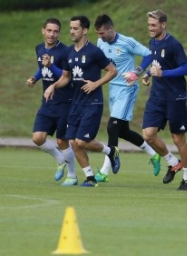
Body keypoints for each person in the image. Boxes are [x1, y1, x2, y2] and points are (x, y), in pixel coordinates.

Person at [43, 15, 120, 187]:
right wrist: (54, 86)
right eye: (70, 28)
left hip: (92, 103)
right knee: (73, 142)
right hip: (75, 103)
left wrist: (96, 84)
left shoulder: (94, 51)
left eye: (75, 28)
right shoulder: (68, 52)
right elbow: (65, 77)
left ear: (84, 30)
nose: (72, 31)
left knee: (82, 141)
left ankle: (111, 151)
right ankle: (90, 178)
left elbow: (112, 71)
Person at [93, 14, 161, 183]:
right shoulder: (100, 42)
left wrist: (137, 72)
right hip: (113, 89)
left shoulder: (126, 42)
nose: (100, 37)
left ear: (111, 28)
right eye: (98, 33)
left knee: (112, 126)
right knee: (123, 131)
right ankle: (154, 155)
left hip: (127, 89)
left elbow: (150, 55)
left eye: (102, 33)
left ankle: (104, 170)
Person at [139, 10, 187, 190]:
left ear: (163, 24)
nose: (150, 28)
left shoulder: (173, 44)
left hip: (175, 97)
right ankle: (172, 162)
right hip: (157, 96)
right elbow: (156, 62)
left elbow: (186, 69)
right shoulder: (152, 42)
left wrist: (163, 74)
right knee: (148, 134)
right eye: (149, 25)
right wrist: (147, 74)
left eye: (153, 25)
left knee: (178, 139)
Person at [26, 18, 78, 185]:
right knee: (37, 138)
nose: (52, 34)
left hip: (64, 102)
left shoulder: (64, 51)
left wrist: (51, 68)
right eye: (49, 30)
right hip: (47, 102)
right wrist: (35, 78)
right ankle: (60, 159)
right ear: (43, 31)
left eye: (55, 31)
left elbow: (66, 77)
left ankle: (72, 176)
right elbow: (42, 68)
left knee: (62, 140)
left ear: (59, 33)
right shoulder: (39, 48)